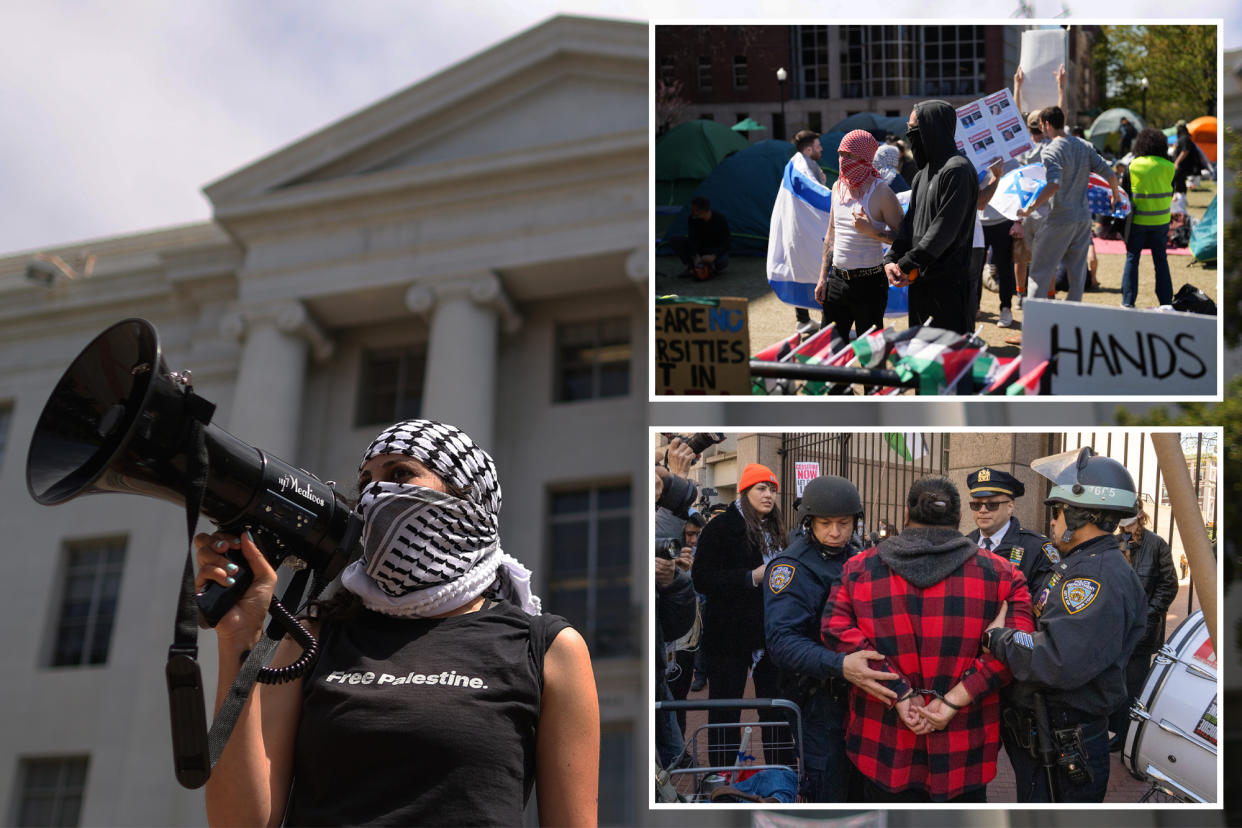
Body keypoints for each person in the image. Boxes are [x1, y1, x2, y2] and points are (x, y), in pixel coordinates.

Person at [195, 419, 599, 827]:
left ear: (469, 501)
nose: (374, 495)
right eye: (366, 482)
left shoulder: (545, 648)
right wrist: (239, 638)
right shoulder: (312, 637)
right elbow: (240, 822)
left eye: (401, 474)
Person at [823, 476, 1034, 803]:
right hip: (963, 752)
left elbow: (835, 632)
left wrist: (900, 694)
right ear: (959, 518)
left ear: (907, 515)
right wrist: (955, 699)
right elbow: (1018, 648)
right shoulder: (1003, 575)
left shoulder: (857, 569)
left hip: (883, 746)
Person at [983, 447, 1147, 802]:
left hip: (1064, 742)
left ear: (1077, 514)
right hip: (1052, 736)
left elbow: (1055, 658)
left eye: (1056, 511)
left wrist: (999, 638)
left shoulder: (1093, 576)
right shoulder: (1082, 565)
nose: (1052, 522)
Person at [763, 475, 900, 802]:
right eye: (825, 523)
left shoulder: (859, 555)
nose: (835, 532)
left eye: (844, 523)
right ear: (810, 522)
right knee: (830, 791)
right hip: (819, 701)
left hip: (861, 695)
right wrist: (839, 665)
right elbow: (782, 642)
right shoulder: (791, 568)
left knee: (865, 788)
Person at [691, 463, 788, 768]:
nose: (768, 495)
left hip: (770, 634)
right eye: (761, 488)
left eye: (772, 489)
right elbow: (702, 578)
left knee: (775, 709)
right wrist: (750, 577)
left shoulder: (777, 529)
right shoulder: (720, 527)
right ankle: (719, 777)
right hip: (729, 637)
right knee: (725, 710)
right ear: (745, 491)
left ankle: (781, 773)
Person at [884, 101, 980, 335]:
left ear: (933, 128)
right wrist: (891, 259)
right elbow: (909, 224)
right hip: (919, 283)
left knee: (947, 360)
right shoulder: (921, 175)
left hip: (949, 285)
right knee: (919, 353)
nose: (909, 135)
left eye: (914, 129)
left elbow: (943, 230)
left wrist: (905, 263)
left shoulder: (957, 169)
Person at [1016, 105, 1119, 304]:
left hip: (1060, 219)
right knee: (1077, 272)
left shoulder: (1051, 150)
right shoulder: (1083, 145)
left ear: (1046, 125)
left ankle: (1033, 324)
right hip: (1082, 219)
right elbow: (1110, 173)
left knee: (1040, 271)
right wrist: (1115, 196)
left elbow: (1054, 184)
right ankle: (1072, 318)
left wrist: (1030, 208)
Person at [815, 129, 905, 342]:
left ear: (865, 157)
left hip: (870, 284)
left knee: (871, 353)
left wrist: (873, 232)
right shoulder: (837, 187)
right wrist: (822, 278)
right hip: (837, 280)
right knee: (830, 348)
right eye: (840, 154)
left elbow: (904, 237)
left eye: (849, 155)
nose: (843, 160)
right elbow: (831, 234)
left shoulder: (881, 192)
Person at [1108, 509, 1178, 751]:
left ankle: (1128, 736)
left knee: (1134, 685)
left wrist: (1145, 617)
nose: (1125, 527)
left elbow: (1168, 585)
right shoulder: (1113, 542)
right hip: (1114, 629)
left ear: (1139, 516)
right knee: (1112, 681)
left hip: (1142, 632)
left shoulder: (1156, 545)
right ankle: (1115, 731)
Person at [964, 467, 1059, 596]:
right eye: (976, 505)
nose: (982, 510)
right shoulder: (964, 544)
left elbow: (1043, 602)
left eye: (992, 505)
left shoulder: (1037, 548)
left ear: (1010, 507)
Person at [1120, 127, 1177, 308]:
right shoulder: (1169, 167)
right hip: (1161, 220)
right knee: (1161, 260)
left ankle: (1128, 302)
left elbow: (1126, 193)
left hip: (1138, 220)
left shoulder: (1134, 165)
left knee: (1132, 258)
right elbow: (1171, 191)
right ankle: (1166, 303)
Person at [791, 129, 828, 334]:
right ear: (808, 149)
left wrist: (821, 183)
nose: (821, 149)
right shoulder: (802, 167)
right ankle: (819, 321)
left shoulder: (800, 164)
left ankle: (803, 319)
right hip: (808, 231)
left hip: (802, 230)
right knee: (818, 272)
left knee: (806, 271)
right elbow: (813, 197)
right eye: (818, 146)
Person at [669, 196, 731, 279]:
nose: (692, 212)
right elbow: (692, 238)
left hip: (713, 250)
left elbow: (726, 242)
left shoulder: (720, 219)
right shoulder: (692, 219)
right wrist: (695, 255)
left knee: (723, 261)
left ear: (702, 211)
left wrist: (714, 255)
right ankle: (692, 266)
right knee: (675, 240)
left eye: (694, 210)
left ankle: (710, 268)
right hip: (700, 249)